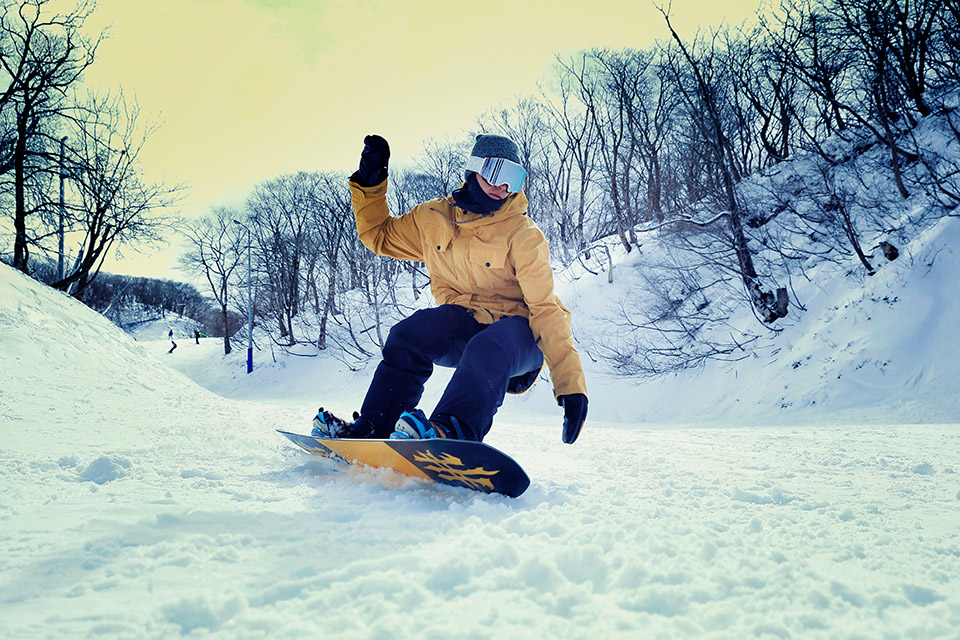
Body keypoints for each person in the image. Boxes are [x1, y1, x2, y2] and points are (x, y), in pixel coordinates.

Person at [312, 133, 588, 444]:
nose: (503, 186)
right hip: (467, 321)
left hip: (520, 335)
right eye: (496, 172)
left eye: (514, 177)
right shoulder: (434, 219)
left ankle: (449, 432)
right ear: (474, 168)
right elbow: (379, 235)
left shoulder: (523, 234)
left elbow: (546, 309)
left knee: (488, 345)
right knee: (408, 335)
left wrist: (570, 384)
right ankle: (375, 427)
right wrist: (371, 185)